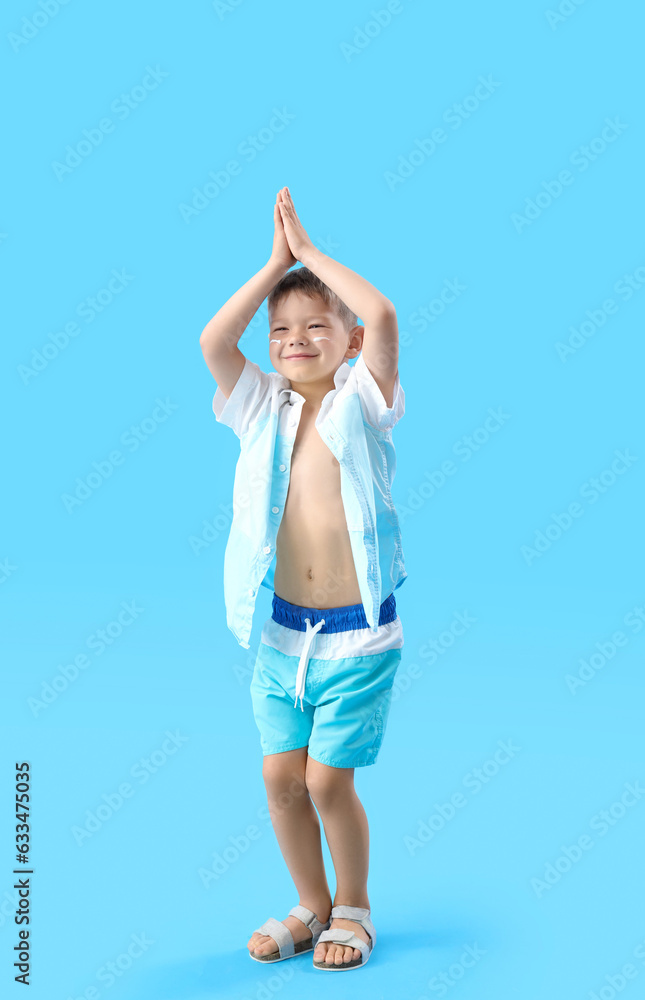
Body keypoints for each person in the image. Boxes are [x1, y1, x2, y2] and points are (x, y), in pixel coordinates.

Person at [199, 187, 407, 971]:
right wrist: (273, 268)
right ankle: (309, 904)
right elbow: (214, 341)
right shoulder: (262, 407)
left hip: (358, 634)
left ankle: (352, 909)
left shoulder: (365, 401)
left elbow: (381, 315)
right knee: (279, 777)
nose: (294, 339)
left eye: (316, 326)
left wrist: (312, 256)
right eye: (281, 330)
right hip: (285, 633)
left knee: (327, 782)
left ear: (346, 343)